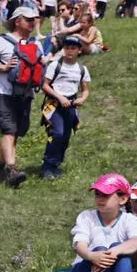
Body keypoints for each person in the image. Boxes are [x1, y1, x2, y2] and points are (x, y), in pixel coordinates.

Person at [0, 7, 40, 188]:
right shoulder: (0, 41)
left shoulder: (34, 43)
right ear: (17, 21)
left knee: (17, 131)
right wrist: (3, 68)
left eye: (34, 20)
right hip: (4, 93)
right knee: (9, 130)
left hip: (25, 93)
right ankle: (12, 170)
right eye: (28, 20)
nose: (33, 23)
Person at [39, 36, 91, 180]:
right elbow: (44, 85)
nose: (69, 51)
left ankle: (56, 165)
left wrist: (83, 98)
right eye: (67, 47)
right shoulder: (55, 65)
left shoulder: (81, 69)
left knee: (65, 137)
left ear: (79, 51)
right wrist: (60, 97)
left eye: (73, 48)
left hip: (71, 106)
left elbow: (85, 89)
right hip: (54, 104)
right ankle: (47, 166)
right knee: (57, 133)